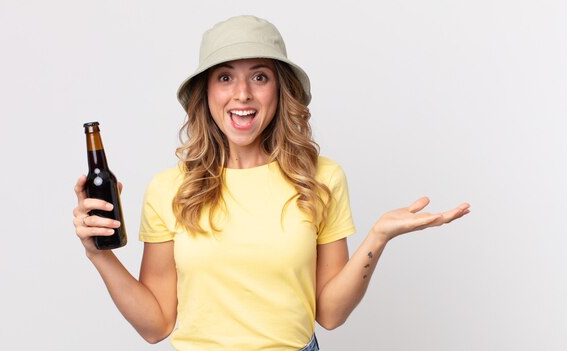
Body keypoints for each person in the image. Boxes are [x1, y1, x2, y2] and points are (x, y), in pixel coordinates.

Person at [72, 15, 470, 351]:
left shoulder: (320, 178)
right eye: (225, 77)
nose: (241, 94)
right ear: (206, 93)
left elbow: (330, 314)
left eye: (259, 77)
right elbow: (155, 324)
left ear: (280, 90)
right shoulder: (170, 188)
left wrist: (377, 238)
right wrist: (99, 254)